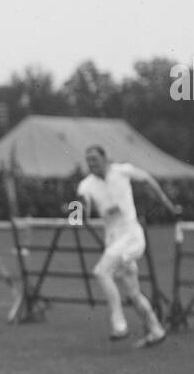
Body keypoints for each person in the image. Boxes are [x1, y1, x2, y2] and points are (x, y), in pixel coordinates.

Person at [75, 146, 180, 348]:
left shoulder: (122, 171)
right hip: (113, 241)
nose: (91, 163)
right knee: (132, 293)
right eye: (88, 160)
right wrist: (77, 214)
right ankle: (156, 330)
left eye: (95, 158)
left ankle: (119, 323)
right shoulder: (85, 185)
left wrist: (168, 204)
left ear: (105, 158)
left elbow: (148, 180)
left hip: (131, 236)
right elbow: (82, 208)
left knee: (101, 272)